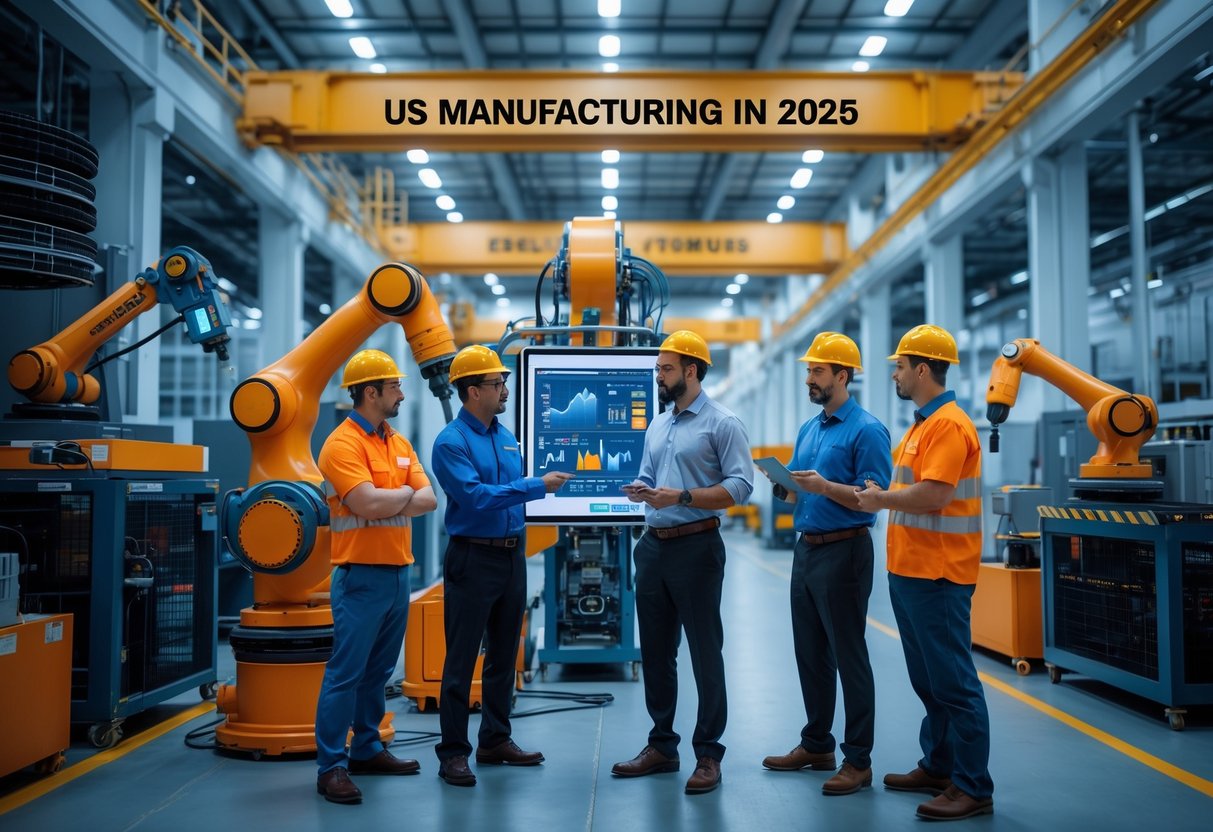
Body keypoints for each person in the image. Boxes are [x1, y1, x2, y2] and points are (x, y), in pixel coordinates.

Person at [854, 324, 993, 821]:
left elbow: (935, 495)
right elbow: (912, 490)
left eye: (898, 366)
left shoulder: (950, 425)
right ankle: (939, 766)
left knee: (954, 683)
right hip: (911, 571)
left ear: (921, 368)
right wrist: (880, 491)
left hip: (939, 574)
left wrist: (880, 498)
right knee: (930, 683)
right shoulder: (920, 425)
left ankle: (973, 785)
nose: (893, 373)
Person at [611, 330, 754, 796]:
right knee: (655, 651)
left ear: (691, 370)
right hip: (653, 546)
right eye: (658, 368)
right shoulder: (659, 424)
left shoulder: (723, 422)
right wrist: (640, 489)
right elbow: (651, 477)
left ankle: (708, 754)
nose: (659, 375)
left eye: (665, 368)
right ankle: (662, 745)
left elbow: (740, 487)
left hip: (697, 547)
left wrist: (684, 496)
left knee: (704, 651)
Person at [430, 344, 574, 787]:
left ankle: (495, 739)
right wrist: (536, 486)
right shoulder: (451, 443)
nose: (505, 388)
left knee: (502, 656)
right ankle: (454, 752)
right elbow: (474, 497)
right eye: (498, 382)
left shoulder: (505, 436)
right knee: (460, 661)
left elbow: (509, 491)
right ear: (473, 391)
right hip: (472, 557)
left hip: (511, 555)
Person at [760, 332, 891, 796]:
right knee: (811, 653)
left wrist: (824, 488)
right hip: (808, 549)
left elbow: (871, 498)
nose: (809, 379)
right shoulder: (810, 428)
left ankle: (858, 760)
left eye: (817, 371)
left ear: (843, 375)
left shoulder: (868, 430)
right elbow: (799, 485)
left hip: (845, 550)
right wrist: (780, 483)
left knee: (848, 655)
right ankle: (817, 744)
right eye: (808, 371)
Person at [314, 349, 438, 805]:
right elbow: (365, 504)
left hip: (397, 573)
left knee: (378, 673)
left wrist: (393, 495)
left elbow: (429, 501)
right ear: (372, 393)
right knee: (345, 674)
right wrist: (404, 493)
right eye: (395, 387)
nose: (402, 393)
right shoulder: (341, 444)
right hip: (359, 576)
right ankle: (331, 767)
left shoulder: (398, 442)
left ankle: (365, 748)